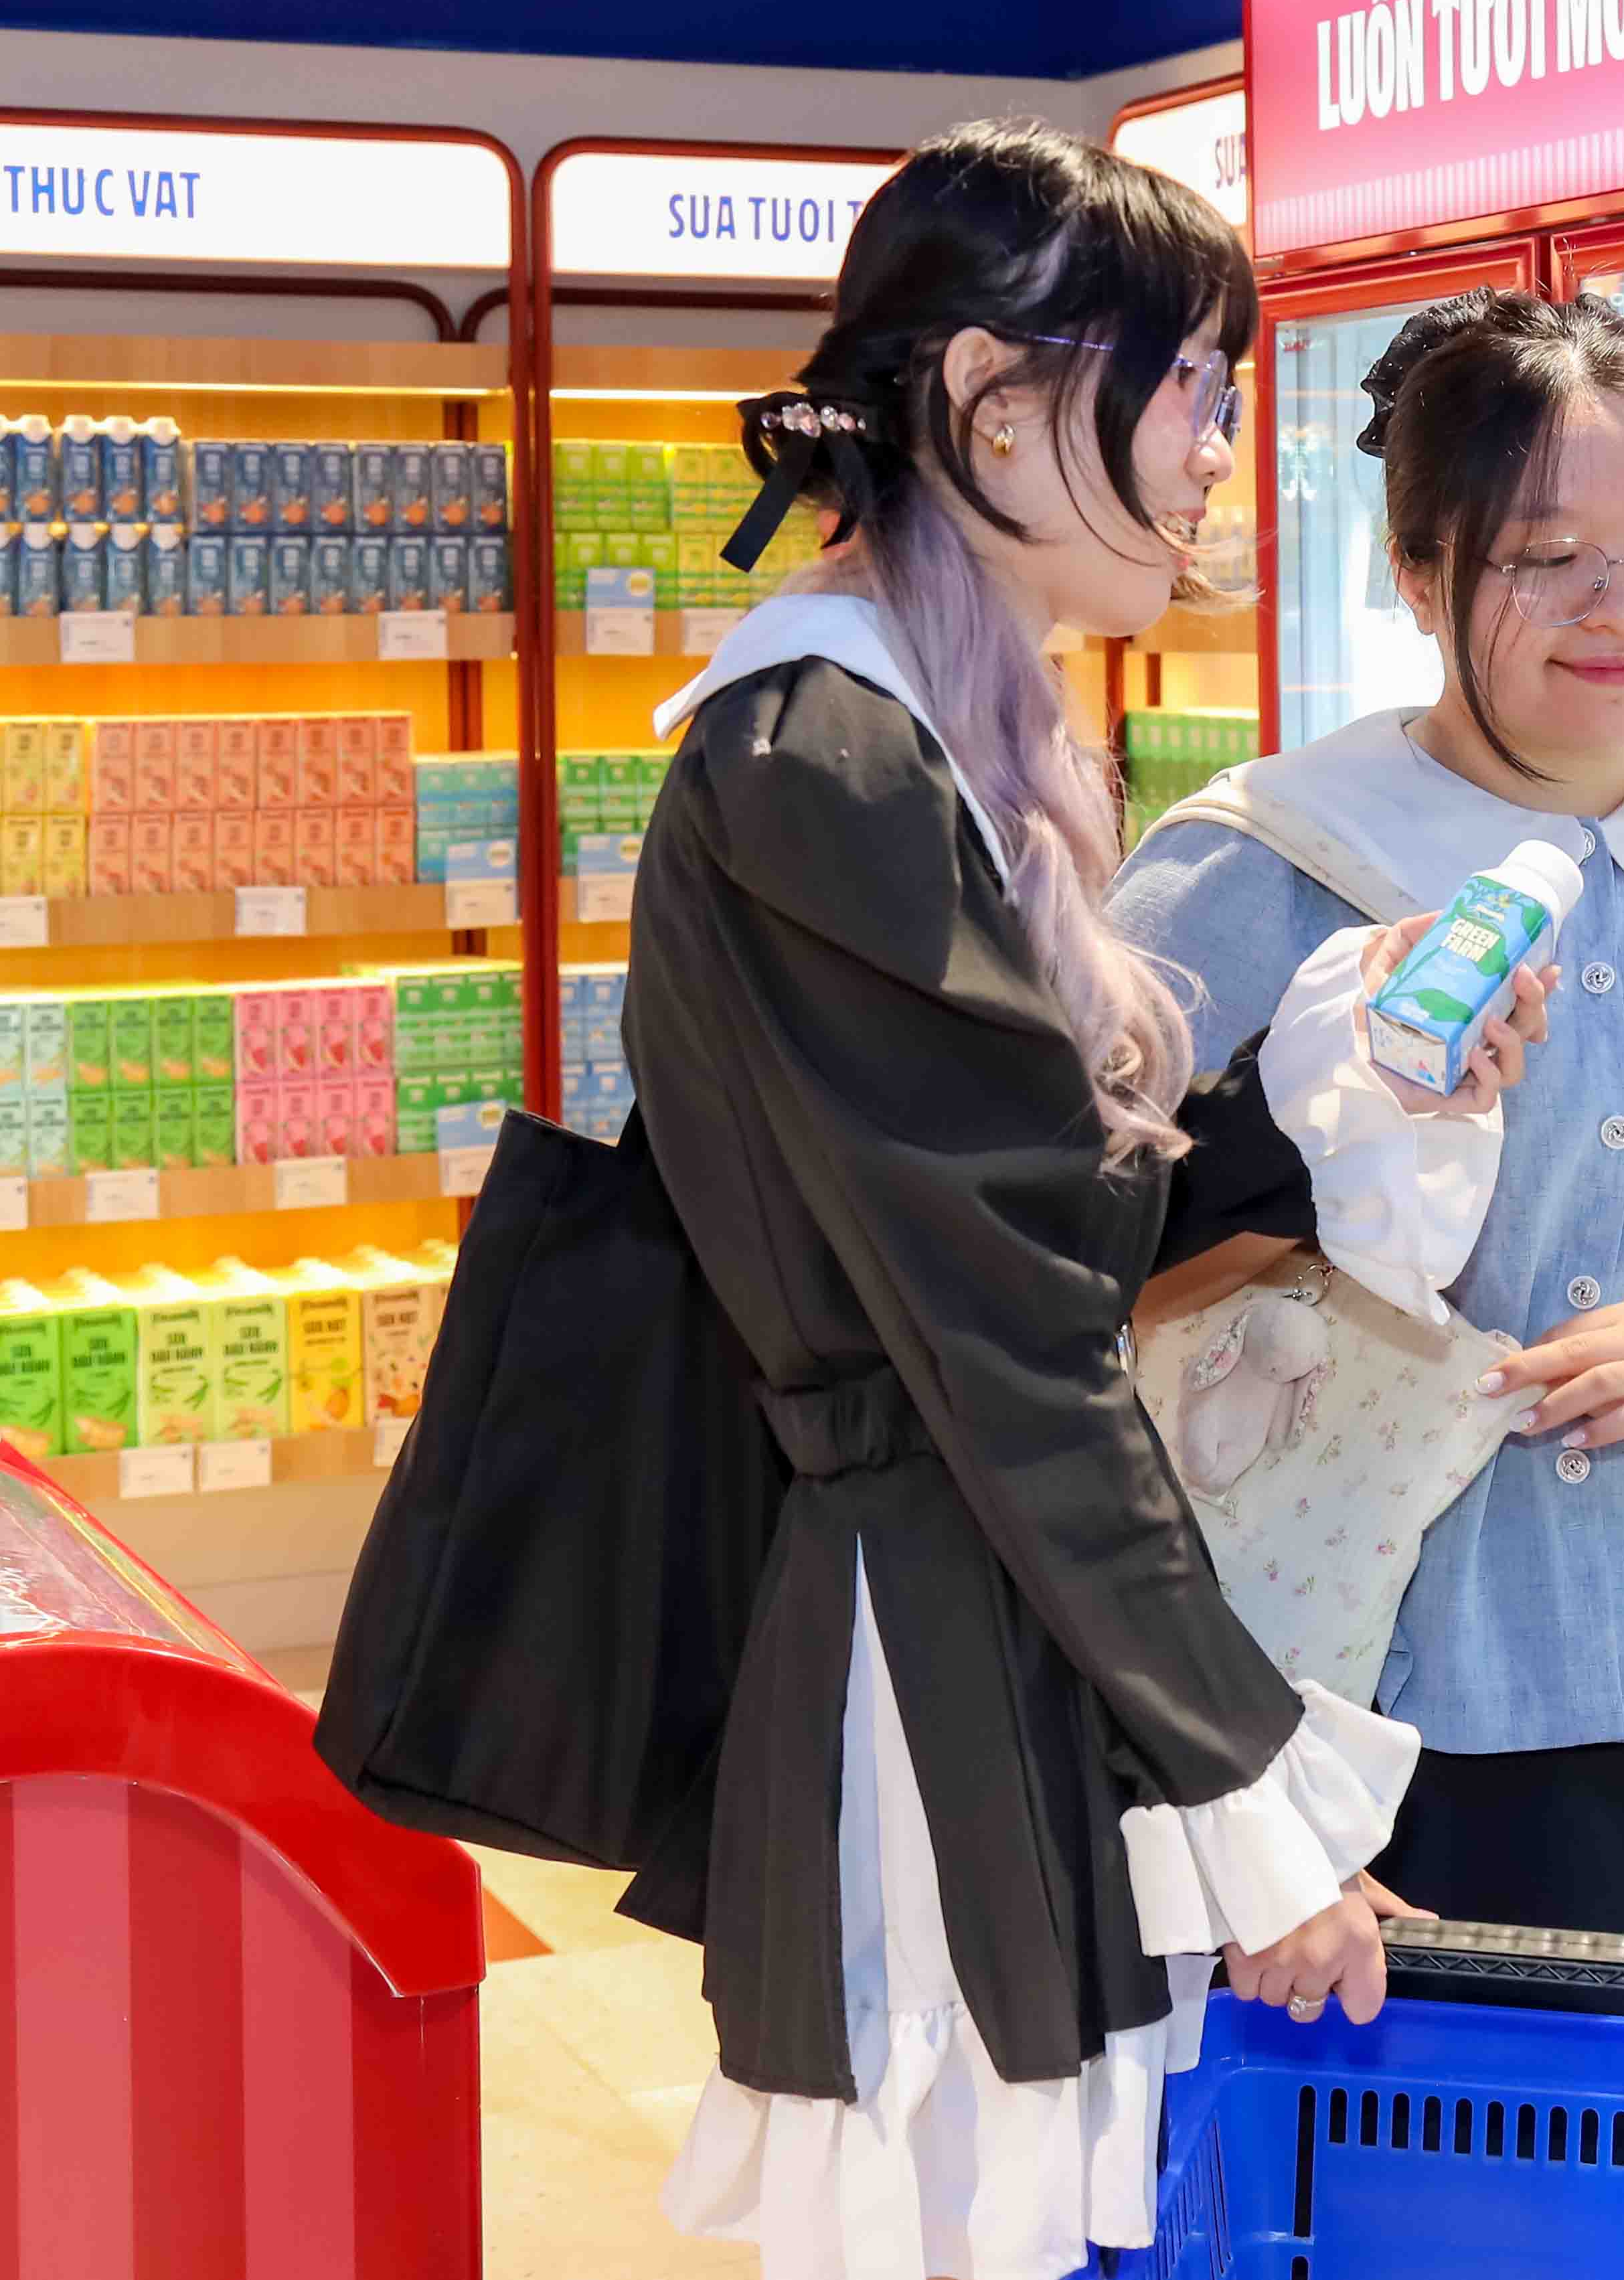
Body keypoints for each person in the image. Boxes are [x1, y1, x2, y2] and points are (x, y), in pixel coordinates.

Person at [615, 123, 1537, 2280]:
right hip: (935, 1627)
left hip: (974, 1597)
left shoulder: (920, 728)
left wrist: (1324, 1085)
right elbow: (1014, 1339)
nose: (1218, 446)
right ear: (993, 401)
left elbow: (1035, 1233)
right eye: (1187, 382)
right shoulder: (826, 757)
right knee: (970, 2208)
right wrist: (1248, 1794)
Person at [1111, 288, 1624, 2280]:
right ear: (1418, 572)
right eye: (1545, 557)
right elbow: (1050, 1282)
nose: (1622, 607)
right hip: (1333, 1745)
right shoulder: (1259, 867)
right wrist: (1323, 1136)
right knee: (1362, 2229)